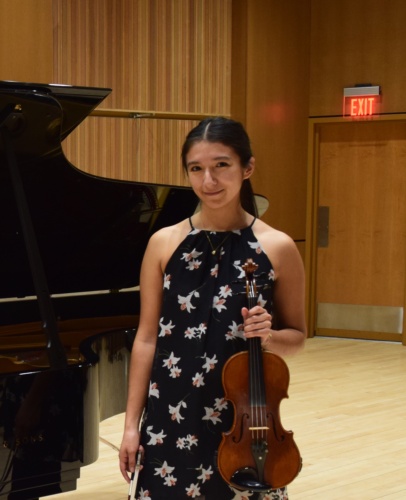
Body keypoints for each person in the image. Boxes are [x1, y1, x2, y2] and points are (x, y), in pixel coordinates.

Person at [119, 117, 306, 500]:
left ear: (247, 168)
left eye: (222, 165)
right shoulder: (163, 243)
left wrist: (268, 335)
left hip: (244, 421)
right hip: (169, 415)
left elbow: (297, 338)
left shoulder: (278, 247)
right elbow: (146, 339)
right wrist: (130, 426)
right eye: (196, 169)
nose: (209, 181)